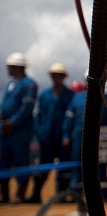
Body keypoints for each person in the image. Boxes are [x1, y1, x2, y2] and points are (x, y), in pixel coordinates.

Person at [62, 72, 107, 201]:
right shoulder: (77, 98)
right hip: (79, 137)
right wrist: (66, 135)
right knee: (78, 165)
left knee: (101, 167)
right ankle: (76, 194)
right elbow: (68, 118)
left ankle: (102, 194)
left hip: (101, 139)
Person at [30, 63, 76, 203]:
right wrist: (39, 132)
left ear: (64, 77)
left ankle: (61, 195)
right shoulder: (44, 95)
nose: (57, 78)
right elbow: (36, 115)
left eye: (60, 76)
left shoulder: (70, 96)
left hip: (63, 138)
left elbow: (72, 117)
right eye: (54, 76)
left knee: (64, 168)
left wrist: (67, 135)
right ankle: (36, 194)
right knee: (43, 166)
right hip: (46, 137)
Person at [0, 52, 38, 204]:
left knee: (21, 160)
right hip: (5, 130)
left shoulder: (29, 84)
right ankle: (4, 194)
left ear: (17, 67)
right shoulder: (10, 84)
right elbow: (4, 105)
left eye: (10, 66)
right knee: (3, 161)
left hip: (20, 131)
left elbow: (27, 107)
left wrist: (13, 122)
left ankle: (20, 194)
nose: (8, 69)